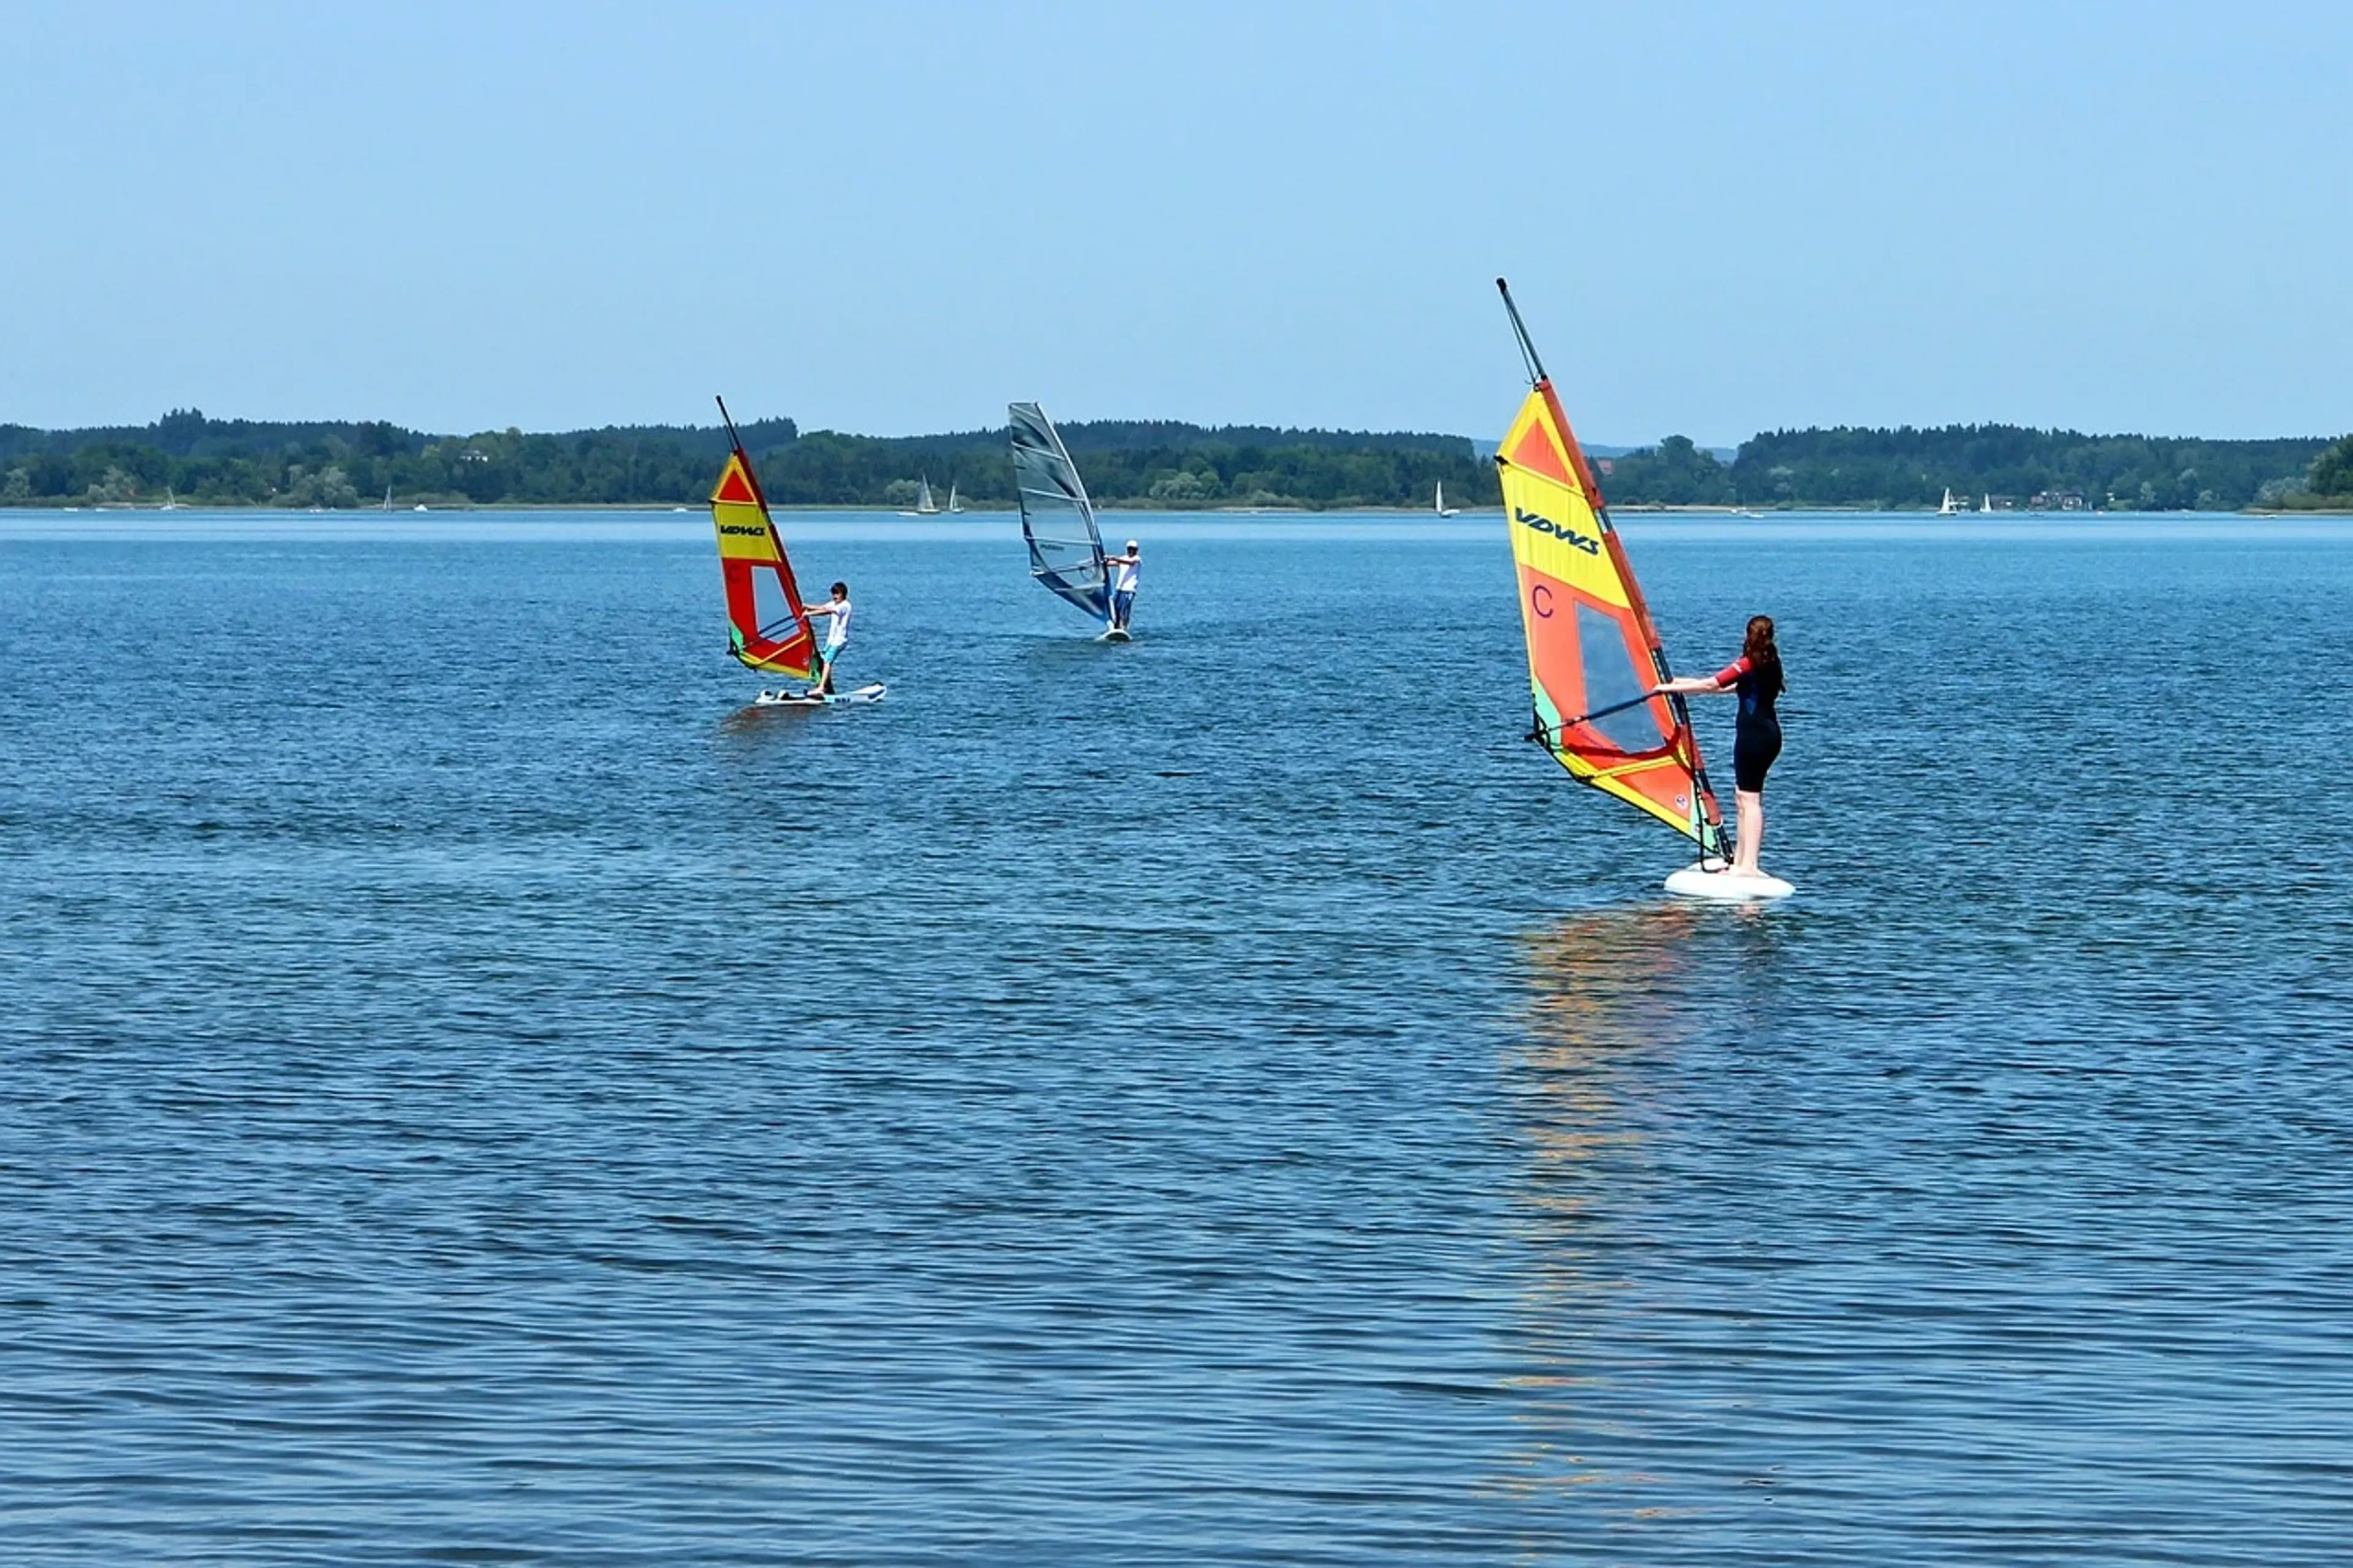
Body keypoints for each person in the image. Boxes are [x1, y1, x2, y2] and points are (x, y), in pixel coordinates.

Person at [1653, 615, 1784, 878]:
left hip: (1754, 738)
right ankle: (1740, 861)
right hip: (1767, 736)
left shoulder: (1748, 663)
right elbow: (1727, 688)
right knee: (1742, 797)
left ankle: (1750, 866)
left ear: (1749, 635)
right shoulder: (1770, 663)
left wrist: (1665, 690)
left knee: (1751, 799)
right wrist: (1677, 684)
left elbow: (1713, 683)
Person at [804, 580, 853, 697]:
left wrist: (809, 614)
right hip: (831, 641)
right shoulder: (834, 603)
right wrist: (805, 606)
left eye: (837, 594)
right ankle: (828, 687)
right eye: (833, 594)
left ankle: (821, 688)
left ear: (843, 594)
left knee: (827, 661)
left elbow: (827, 611)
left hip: (839, 641)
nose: (835, 596)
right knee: (824, 661)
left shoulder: (845, 606)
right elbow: (822, 607)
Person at [1103, 539, 1140, 631]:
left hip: (1129, 590)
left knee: (1125, 610)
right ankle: (1116, 627)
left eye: (1134, 549)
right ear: (1127, 549)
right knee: (1116, 610)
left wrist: (1114, 558)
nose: (1132, 551)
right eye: (1130, 549)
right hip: (1119, 589)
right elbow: (1110, 564)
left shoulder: (1137, 559)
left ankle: (1124, 628)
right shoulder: (1123, 558)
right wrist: (1102, 561)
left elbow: (1130, 563)